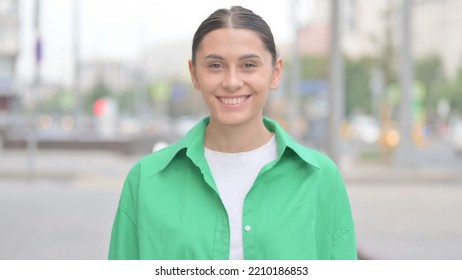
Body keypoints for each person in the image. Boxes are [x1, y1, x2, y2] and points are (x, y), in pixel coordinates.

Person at [108, 6, 357, 260]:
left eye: (248, 65)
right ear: (194, 74)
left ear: (275, 73)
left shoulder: (320, 177)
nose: (232, 82)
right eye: (215, 66)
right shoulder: (146, 180)